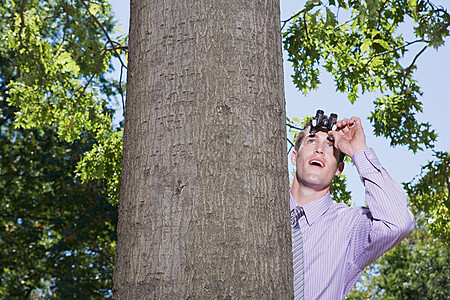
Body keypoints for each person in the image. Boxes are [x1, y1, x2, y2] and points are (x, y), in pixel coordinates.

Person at [290, 110, 415, 299]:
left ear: (339, 169)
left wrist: (358, 151)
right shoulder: (260, 210)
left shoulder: (350, 226)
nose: (320, 149)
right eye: (312, 140)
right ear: (294, 157)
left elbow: (398, 222)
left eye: (331, 145)